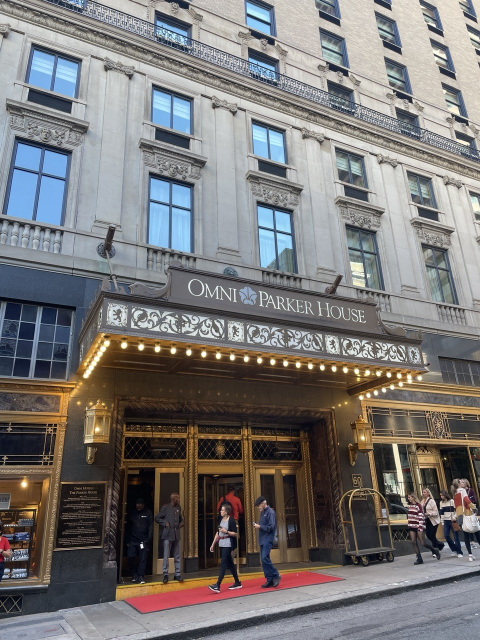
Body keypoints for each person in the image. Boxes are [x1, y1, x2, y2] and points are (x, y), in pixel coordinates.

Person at [208, 503, 242, 593]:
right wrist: (213, 544)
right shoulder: (220, 519)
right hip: (221, 543)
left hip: (228, 543)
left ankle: (218, 585)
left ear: (227, 512)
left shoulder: (231, 520)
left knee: (223, 563)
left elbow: (235, 533)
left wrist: (226, 531)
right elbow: (218, 533)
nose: (220, 511)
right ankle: (237, 582)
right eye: (221, 510)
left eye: (222, 510)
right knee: (230, 563)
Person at [155, 493, 184, 584]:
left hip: (176, 534)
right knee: (166, 555)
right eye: (177, 498)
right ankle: (165, 574)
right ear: (173, 499)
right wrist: (165, 523)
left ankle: (177, 574)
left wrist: (182, 522)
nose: (178, 499)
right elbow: (157, 518)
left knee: (177, 555)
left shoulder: (178, 507)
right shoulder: (166, 507)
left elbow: (179, 518)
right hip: (167, 534)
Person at [253, 496, 280, 588]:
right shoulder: (263, 513)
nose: (258, 508)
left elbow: (271, 527)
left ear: (263, 504)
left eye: (259, 506)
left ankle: (276, 575)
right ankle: (269, 579)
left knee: (264, 558)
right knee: (264, 560)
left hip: (268, 539)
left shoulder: (270, 512)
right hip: (262, 539)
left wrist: (259, 526)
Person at [407, 492, 441, 564]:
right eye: (408, 497)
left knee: (423, 543)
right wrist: (409, 525)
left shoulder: (418, 506)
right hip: (411, 526)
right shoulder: (410, 506)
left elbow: (421, 517)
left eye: (409, 497)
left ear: (413, 497)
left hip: (418, 526)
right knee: (413, 542)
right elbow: (409, 517)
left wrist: (420, 527)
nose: (408, 498)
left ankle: (434, 550)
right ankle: (419, 558)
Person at [452, 478, 480, 561]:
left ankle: (470, 555)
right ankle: (471, 554)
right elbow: (466, 500)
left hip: (461, 515)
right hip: (468, 513)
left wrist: (456, 516)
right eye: (461, 482)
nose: (463, 483)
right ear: (458, 484)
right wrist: (474, 508)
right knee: (477, 533)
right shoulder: (462, 491)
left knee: (466, 535)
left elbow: (456, 506)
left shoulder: (455, 493)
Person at [127, 497, 153, 584]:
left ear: (143, 505)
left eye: (140, 506)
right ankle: (134, 573)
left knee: (143, 559)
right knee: (130, 556)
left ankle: (140, 576)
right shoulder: (133, 513)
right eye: (137, 505)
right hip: (133, 539)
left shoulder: (148, 512)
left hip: (143, 540)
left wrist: (148, 539)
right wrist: (127, 539)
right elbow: (129, 526)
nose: (138, 507)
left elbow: (150, 526)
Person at [439, 490, 463, 557]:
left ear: (445, 495)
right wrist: (442, 522)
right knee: (446, 536)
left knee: (456, 537)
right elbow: (442, 513)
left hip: (452, 521)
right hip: (446, 521)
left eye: (442, 495)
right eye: (440, 495)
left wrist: (455, 517)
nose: (441, 497)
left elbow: (456, 511)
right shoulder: (441, 503)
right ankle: (454, 549)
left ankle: (459, 552)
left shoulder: (452, 501)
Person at [421, 488, 444, 554]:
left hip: (433, 520)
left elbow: (436, 512)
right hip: (427, 520)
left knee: (432, 535)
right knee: (428, 535)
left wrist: (429, 513)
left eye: (425, 492)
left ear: (428, 493)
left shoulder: (431, 501)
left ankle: (435, 549)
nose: (423, 493)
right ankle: (440, 544)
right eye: (423, 492)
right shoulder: (422, 501)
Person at [461, 479, 478, 549]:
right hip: (464, 510)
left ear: (466, 483)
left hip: (471, 510)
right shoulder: (461, 492)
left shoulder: (470, 490)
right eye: (461, 482)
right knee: (467, 525)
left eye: (463, 482)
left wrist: (474, 510)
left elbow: (474, 500)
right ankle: (471, 542)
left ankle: (474, 541)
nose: (462, 483)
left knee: (473, 524)